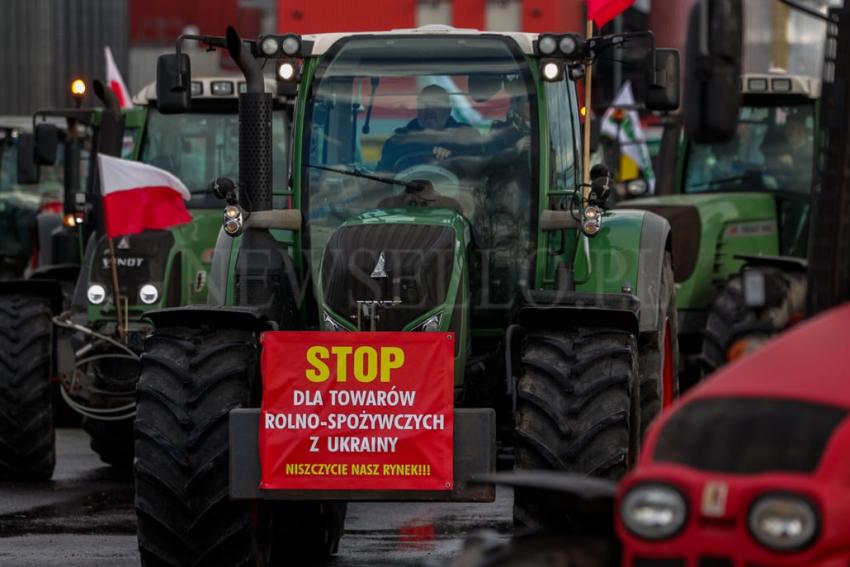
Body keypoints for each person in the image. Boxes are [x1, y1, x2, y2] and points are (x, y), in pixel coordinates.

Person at [377, 84, 481, 173]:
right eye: (424, 105)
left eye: (436, 104)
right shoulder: (397, 143)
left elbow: (477, 177)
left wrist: (452, 162)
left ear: (448, 110)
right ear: (417, 109)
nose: (429, 110)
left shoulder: (468, 139)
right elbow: (381, 181)